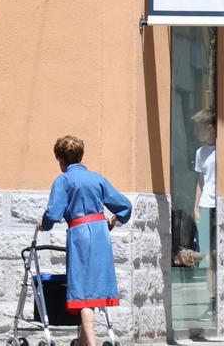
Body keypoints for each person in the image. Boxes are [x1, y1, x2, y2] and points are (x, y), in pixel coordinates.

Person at [37, 135, 132, 346]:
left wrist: (43, 224)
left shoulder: (63, 180)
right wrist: (117, 218)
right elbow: (125, 206)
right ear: (81, 156)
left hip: (80, 235)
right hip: (100, 234)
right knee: (94, 287)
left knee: (83, 292)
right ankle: (82, 343)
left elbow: (53, 214)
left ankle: (92, 343)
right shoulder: (97, 178)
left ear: (61, 160)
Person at [192, 108, 217, 318]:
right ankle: (212, 299)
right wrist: (195, 206)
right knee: (209, 256)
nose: (196, 133)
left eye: (199, 129)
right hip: (206, 205)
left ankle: (217, 297)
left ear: (210, 129)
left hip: (221, 205)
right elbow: (200, 181)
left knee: (217, 255)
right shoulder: (200, 153)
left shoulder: (223, 149)